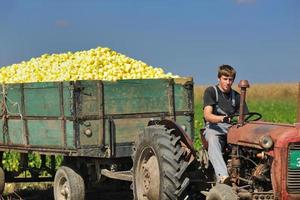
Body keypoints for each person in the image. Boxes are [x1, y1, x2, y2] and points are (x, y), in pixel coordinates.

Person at [202, 64, 248, 183]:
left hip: (231, 129)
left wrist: (239, 120)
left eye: (230, 79)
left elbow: (244, 116)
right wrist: (221, 118)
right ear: (219, 78)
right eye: (225, 79)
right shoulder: (211, 91)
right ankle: (223, 176)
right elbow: (207, 115)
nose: (228, 82)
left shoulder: (237, 96)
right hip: (214, 128)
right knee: (212, 139)